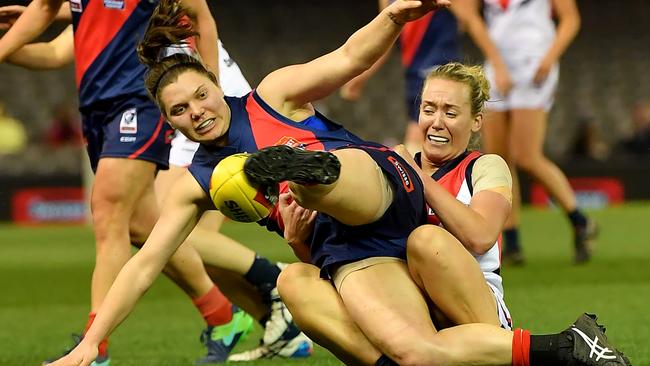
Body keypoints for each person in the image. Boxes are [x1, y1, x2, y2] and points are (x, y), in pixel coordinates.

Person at [50, 1, 629, 365]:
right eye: (179, 111)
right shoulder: (189, 181)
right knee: (413, 352)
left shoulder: (273, 93)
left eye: (200, 94)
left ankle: (305, 168)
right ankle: (567, 347)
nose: (197, 112)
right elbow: (144, 263)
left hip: (380, 183)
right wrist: (87, 345)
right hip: (347, 249)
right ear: (167, 119)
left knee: (321, 180)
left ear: (213, 80)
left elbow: (350, 56)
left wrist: (393, 17)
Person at [0, 3, 313, 362]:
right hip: (166, 101)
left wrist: (210, 84)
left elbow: (199, 15)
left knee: (162, 223)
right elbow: (57, 48)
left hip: (191, 97)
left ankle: (273, 280)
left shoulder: (144, 31)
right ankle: (251, 320)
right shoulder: (95, 20)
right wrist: (14, 37)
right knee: (150, 227)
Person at [275, 62, 630, 366]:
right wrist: (298, 241)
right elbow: (353, 266)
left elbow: (480, 236)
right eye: (429, 109)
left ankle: (531, 349)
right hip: (408, 315)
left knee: (426, 240)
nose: (437, 122)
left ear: (476, 122)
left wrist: (420, 181)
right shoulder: (393, 175)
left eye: (450, 112)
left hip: (474, 315)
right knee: (295, 280)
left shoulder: (485, 167)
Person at [478, 0, 595, 264]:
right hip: (497, 67)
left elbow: (570, 19)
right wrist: (496, 62)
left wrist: (549, 58)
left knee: (526, 156)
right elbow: (469, 16)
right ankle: (512, 243)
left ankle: (579, 220)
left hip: (534, 64)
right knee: (498, 161)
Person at [340, 0, 512, 155]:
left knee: (418, 143)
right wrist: (361, 76)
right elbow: (384, 38)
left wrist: (498, 66)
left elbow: (471, 20)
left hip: (440, 69)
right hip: (413, 73)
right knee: (421, 145)